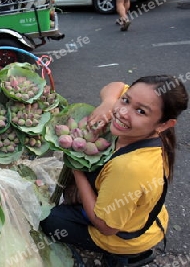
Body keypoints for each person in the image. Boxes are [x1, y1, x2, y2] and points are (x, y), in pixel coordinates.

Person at [40, 75, 189, 266]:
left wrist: (77, 170)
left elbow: (106, 227)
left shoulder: (129, 168)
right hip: (142, 215)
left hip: (125, 236)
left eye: (140, 111)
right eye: (126, 100)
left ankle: (123, 257)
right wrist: (109, 102)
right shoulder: (155, 130)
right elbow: (116, 86)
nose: (122, 112)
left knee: (51, 221)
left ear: (164, 124)